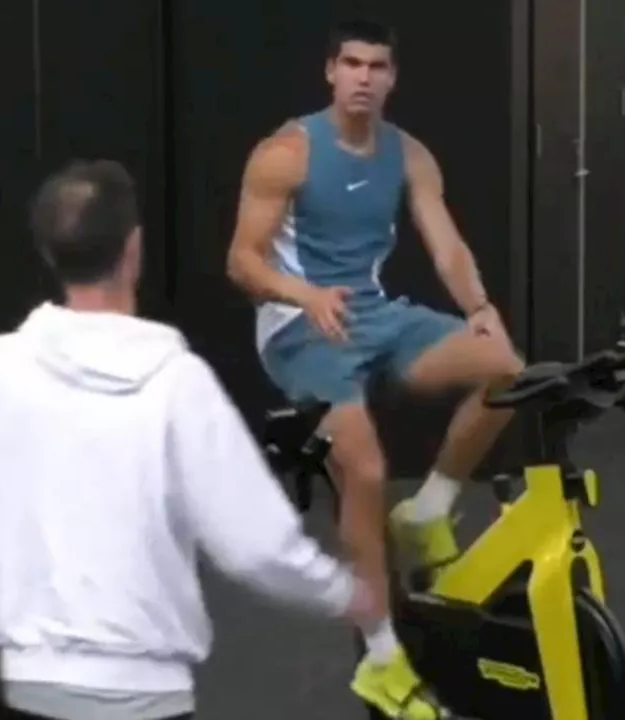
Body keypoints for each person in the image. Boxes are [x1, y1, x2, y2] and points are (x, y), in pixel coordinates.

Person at [0, 159, 383, 720]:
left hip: (30, 692)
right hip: (147, 701)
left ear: (50, 253)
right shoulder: (178, 384)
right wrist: (346, 594)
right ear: (134, 249)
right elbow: (257, 546)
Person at [226, 18, 523, 718]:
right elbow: (242, 261)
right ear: (331, 71)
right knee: (362, 469)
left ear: (392, 77)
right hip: (300, 327)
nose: (363, 76)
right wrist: (304, 293)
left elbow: (445, 244)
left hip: (375, 315)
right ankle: (383, 658)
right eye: (351, 63)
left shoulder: (408, 155)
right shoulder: (286, 152)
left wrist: (478, 304)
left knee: (507, 367)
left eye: (377, 65)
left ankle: (429, 513)